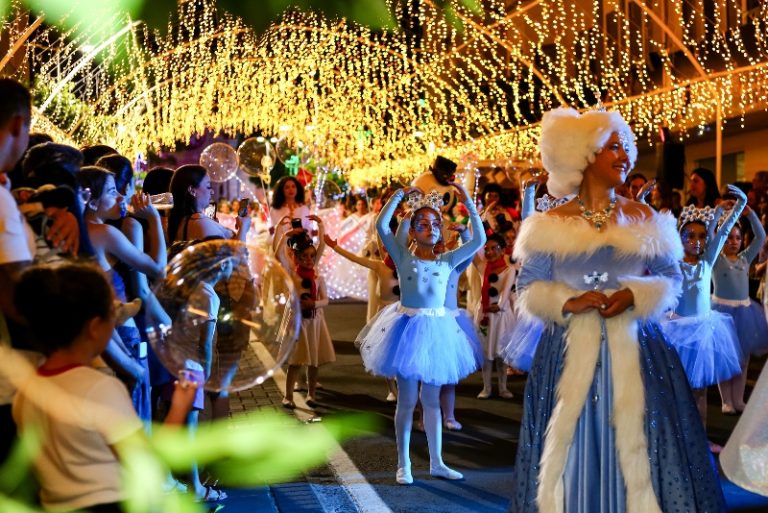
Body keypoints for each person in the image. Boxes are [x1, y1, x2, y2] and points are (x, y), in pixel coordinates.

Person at [510, 107, 725, 513]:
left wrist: (634, 293)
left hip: (637, 346)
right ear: (583, 154)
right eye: (613, 147)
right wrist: (566, 301)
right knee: (568, 442)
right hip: (568, 349)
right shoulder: (548, 222)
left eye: (626, 147)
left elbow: (672, 278)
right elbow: (528, 286)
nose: (625, 155)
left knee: (645, 442)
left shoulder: (644, 216)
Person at [11, 264, 196, 513]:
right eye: (113, 311)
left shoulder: (25, 394)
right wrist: (180, 405)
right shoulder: (100, 390)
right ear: (95, 327)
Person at [356, 183, 485, 485]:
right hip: (408, 329)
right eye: (423, 225)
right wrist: (398, 196)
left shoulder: (448, 260)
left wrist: (468, 202)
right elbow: (381, 226)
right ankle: (404, 465)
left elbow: (478, 238)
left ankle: (437, 462)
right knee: (407, 400)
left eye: (435, 224)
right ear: (412, 231)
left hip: (438, 332)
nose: (431, 228)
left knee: (432, 401)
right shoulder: (404, 258)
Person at [77, 166, 167, 423]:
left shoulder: (77, 232)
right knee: (138, 415)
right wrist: (154, 219)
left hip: (98, 342)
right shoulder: (105, 233)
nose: (121, 198)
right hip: (123, 337)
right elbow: (158, 269)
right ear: (91, 200)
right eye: (112, 191)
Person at [660, 190, 745, 451]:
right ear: (680, 238)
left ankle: (700, 438)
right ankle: (676, 439)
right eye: (690, 236)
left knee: (700, 392)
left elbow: (723, 231)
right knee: (676, 390)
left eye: (701, 237)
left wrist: (740, 205)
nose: (697, 241)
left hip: (704, 331)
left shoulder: (707, 260)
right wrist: (641, 202)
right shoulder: (672, 263)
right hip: (676, 331)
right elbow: (651, 238)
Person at [712, 203, 768, 413]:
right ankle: (726, 400)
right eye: (728, 238)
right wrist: (722, 214)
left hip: (744, 313)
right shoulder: (717, 259)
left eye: (737, 237)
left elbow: (760, 237)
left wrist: (750, 214)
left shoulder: (745, 258)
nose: (733, 242)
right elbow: (712, 239)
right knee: (725, 358)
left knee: (743, 360)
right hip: (723, 313)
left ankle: (738, 399)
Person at [275, 216, 333, 408]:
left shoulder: (318, 277)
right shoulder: (292, 275)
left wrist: (321, 225)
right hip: (297, 322)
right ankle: (288, 395)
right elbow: (279, 256)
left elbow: (325, 300)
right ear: (296, 257)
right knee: (295, 361)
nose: (309, 260)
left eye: (312, 256)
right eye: (304, 257)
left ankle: (311, 394)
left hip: (315, 322)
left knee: (313, 360)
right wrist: (284, 233)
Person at [473, 234, 516, 399]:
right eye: (487, 249)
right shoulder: (483, 267)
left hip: (501, 315)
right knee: (486, 352)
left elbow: (505, 291)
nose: (489, 252)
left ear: (502, 250)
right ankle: (487, 387)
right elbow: (471, 253)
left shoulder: (509, 269)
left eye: (494, 248)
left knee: (501, 353)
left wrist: (499, 305)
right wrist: (467, 229)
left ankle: (503, 387)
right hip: (484, 314)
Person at [168, 165, 251, 244]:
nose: (212, 191)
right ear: (192, 191)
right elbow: (236, 254)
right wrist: (243, 227)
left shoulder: (181, 222)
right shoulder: (201, 223)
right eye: (208, 186)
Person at [269, 176, 310, 240]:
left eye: (293, 186)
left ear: (297, 189)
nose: (291, 189)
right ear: (281, 190)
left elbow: (308, 228)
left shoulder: (304, 208)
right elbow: (275, 231)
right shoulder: (275, 209)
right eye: (287, 187)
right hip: (281, 245)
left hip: (301, 244)